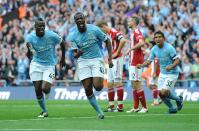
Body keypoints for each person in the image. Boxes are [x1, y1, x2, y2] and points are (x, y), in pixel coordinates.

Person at [69, 12, 113, 119]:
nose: (80, 20)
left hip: (96, 59)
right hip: (83, 61)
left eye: (81, 18)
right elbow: (75, 54)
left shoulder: (94, 29)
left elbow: (108, 41)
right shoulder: (73, 35)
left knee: (98, 87)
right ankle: (99, 112)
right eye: (77, 19)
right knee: (88, 89)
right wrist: (79, 53)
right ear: (75, 22)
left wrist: (110, 58)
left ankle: (95, 77)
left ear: (84, 19)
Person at [26, 18, 66, 118]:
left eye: (43, 26)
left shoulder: (51, 35)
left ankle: (47, 91)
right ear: (35, 27)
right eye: (39, 26)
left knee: (45, 87)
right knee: (38, 89)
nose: (41, 28)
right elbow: (29, 54)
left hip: (49, 65)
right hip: (36, 64)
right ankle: (44, 111)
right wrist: (29, 51)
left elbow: (63, 43)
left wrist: (63, 58)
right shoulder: (30, 38)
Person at [137, 31, 183, 114]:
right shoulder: (154, 49)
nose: (157, 39)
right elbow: (149, 61)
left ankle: (179, 99)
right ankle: (172, 108)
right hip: (162, 73)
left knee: (164, 92)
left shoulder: (169, 48)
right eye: (156, 37)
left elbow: (177, 60)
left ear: (163, 38)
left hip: (172, 73)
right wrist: (142, 65)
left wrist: (171, 66)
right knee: (161, 94)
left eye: (159, 37)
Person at [96, 20, 127, 112]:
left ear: (103, 26)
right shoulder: (108, 34)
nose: (101, 32)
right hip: (111, 60)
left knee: (118, 82)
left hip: (117, 59)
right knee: (109, 83)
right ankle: (111, 106)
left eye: (100, 30)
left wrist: (117, 52)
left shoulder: (114, 32)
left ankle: (120, 106)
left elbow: (123, 40)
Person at [125, 16, 148, 113]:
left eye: (129, 21)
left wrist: (131, 49)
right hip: (132, 61)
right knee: (134, 84)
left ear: (133, 22)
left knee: (137, 84)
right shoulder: (132, 33)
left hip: (136, 61)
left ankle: (144, 107)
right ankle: (135, 107)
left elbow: (142, 43)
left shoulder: (137, 32)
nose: (128, 22)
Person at [141, 41, 161, 106]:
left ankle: (158, 100)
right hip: (155, 71)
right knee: (154, 86)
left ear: (153, 45)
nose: (149, 46)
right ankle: (157, 100)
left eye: (150, 45)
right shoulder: (154, 51)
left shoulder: (155, 51)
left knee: (154, 86)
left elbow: (156, 62)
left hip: (155, 71)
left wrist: (154, 72)